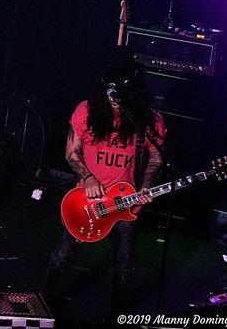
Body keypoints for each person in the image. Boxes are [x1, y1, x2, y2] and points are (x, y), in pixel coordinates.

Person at [43, 49, 166, 316]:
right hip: (86, 200)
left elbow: (156, 159)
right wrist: (88, 177)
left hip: (126, 202)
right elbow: (71, 153)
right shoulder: (86, 111)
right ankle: (44, 302)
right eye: (109, 93)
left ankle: (114, 314)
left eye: (119, 95)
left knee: (123, 261)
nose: (113, 100)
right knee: (65, 253)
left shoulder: (150, 121)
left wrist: (146, 185)